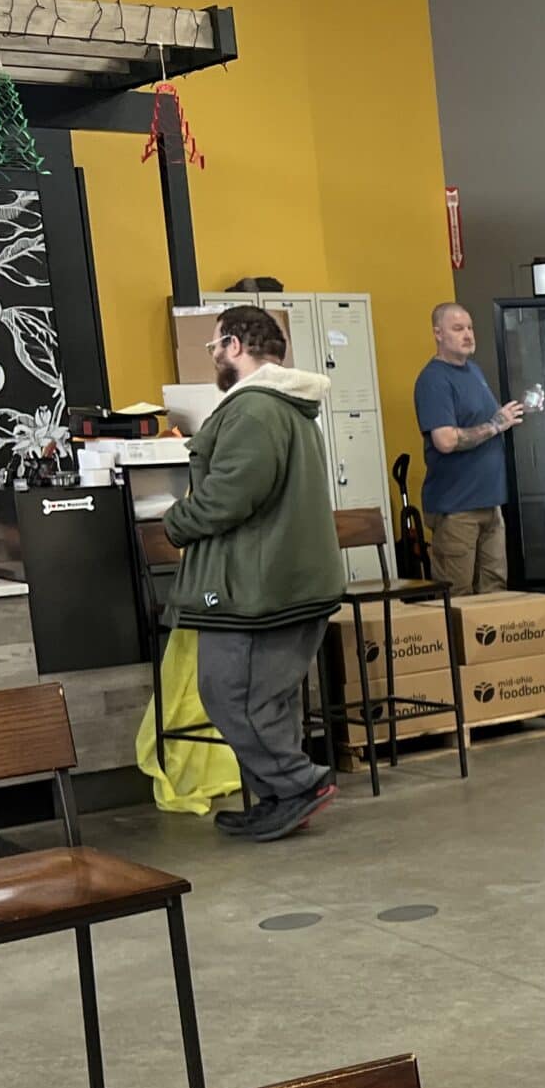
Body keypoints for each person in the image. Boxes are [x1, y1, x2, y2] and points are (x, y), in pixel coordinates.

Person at [164, 306, 345, 842]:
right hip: (288, 578)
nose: (214, 356)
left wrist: (174, 523)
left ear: (236, 345)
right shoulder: (288, 404)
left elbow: (230, 495)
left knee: (230, 692)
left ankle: (296, 784)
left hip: (254, 585)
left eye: (215, 346)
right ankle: (278, 797)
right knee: (267, 696)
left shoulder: (253, 410)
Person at [413, 302, 525, 594]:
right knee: (458, 594)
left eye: (470, 328)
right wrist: (495, 425)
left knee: (495, 590)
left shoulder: (473, 371)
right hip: (457, 508)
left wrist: (506, 419)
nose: (467, 335)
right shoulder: (434, 379)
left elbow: (486, 420)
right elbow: (446, 440)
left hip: (490, 503)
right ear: (438, 333)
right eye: (458, 329)